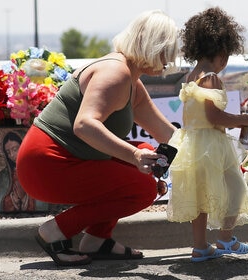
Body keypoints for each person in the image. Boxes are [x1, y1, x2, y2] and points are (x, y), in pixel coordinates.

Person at [16, 10, 179, 266]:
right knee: (143, 187)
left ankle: (96, 240)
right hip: (47, 165)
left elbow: (168, 134)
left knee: (149, 154)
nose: (170, 59)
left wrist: (212, 152)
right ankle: (54, 231)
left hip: (60, 160)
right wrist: (135, 156)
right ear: (151, 47)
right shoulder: (117, 73)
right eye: (167, 51)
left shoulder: (130, 80)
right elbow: (84, 125)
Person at [166, 7, 248, 262]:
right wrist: (245, 120)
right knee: (235, 188)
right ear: (221, 53)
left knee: (200, 195)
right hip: (211, 144)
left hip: (192, 143)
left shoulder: (192, 75)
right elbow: (214, 118)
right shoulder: (211, 79)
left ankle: (200, 247)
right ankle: (226, 237)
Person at [0, 131, 36, 212]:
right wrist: (14, 198)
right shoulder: (3, 176)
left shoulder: (36, 171)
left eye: (15, 149)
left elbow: (43, 201)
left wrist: (25, 197)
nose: (12, 155)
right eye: (8, 152)